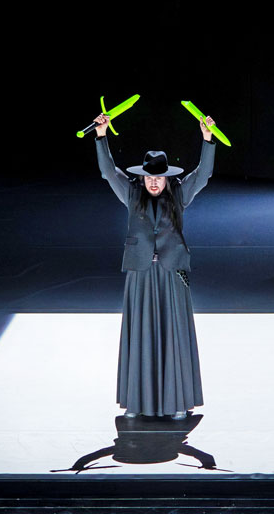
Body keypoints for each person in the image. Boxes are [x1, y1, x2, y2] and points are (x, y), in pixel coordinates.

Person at [94, 111, 216, 420]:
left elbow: (202, 176)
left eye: (158, 178)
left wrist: (207, 140)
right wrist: (101, 136)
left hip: (171, 273)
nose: (153, 182)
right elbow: (109, 172)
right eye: (149, 177)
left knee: (173, 333)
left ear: (166, 178)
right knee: (142, 333)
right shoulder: (132, 192)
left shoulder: (178, 194)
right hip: (141, 274)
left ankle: (177, 401)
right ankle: (139, 400)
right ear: (143, 176)